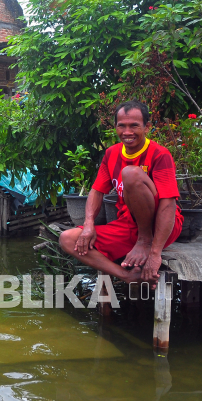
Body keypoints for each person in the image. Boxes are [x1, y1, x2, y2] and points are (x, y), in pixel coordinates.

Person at [59, 101, 184, 285]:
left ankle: (144, 241)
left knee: (131, 173)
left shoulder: (160, 154)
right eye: (122, 126)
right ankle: (127, 276)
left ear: (147, 127)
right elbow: (96, 191)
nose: (127, 132)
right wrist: (88, 224)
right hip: (128, 225)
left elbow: (168, 204)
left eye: (134, 125)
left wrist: (155, 253)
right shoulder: (112, 153)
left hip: (161, 227)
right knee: (67, 239)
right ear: (115, 127)